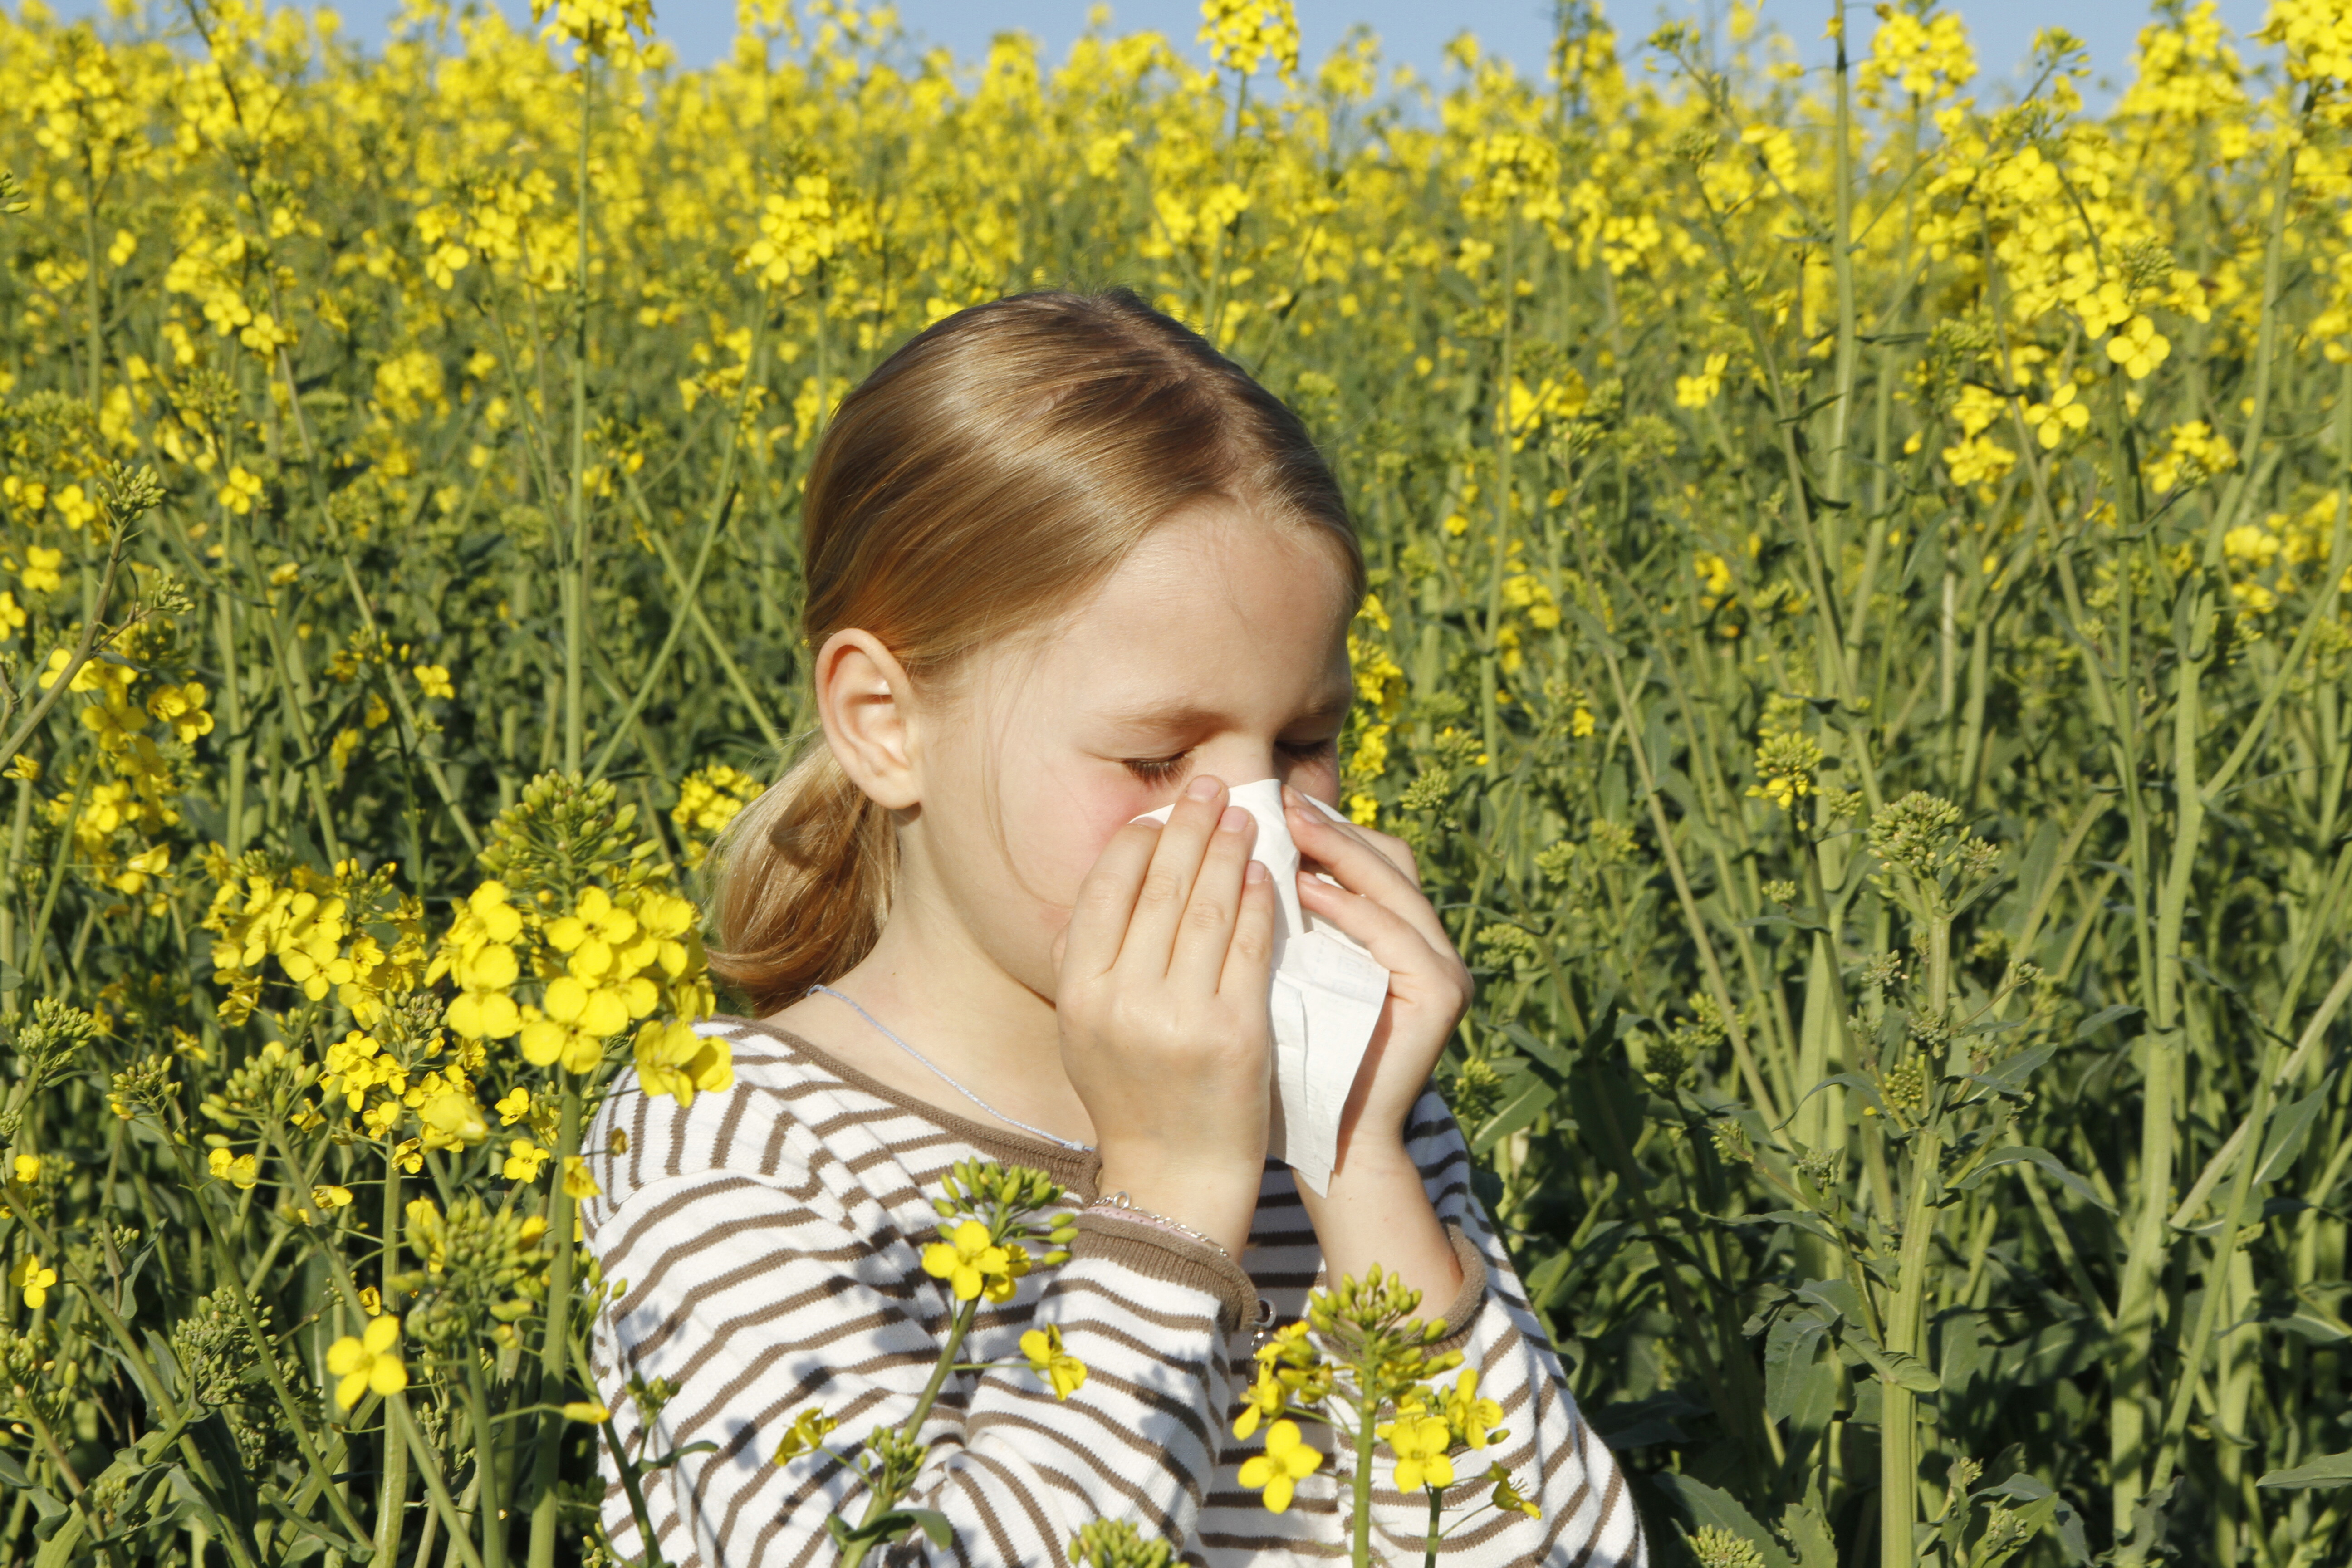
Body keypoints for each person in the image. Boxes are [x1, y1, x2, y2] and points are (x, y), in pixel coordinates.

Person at [581, 289, 1645, 1566]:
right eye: (1154, 760)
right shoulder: (738, 1143)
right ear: (884, 722)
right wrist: (1167, 1209)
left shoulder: (1340, 1106)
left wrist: (1357, 1154)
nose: (1253, 824)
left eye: (1306, 744)